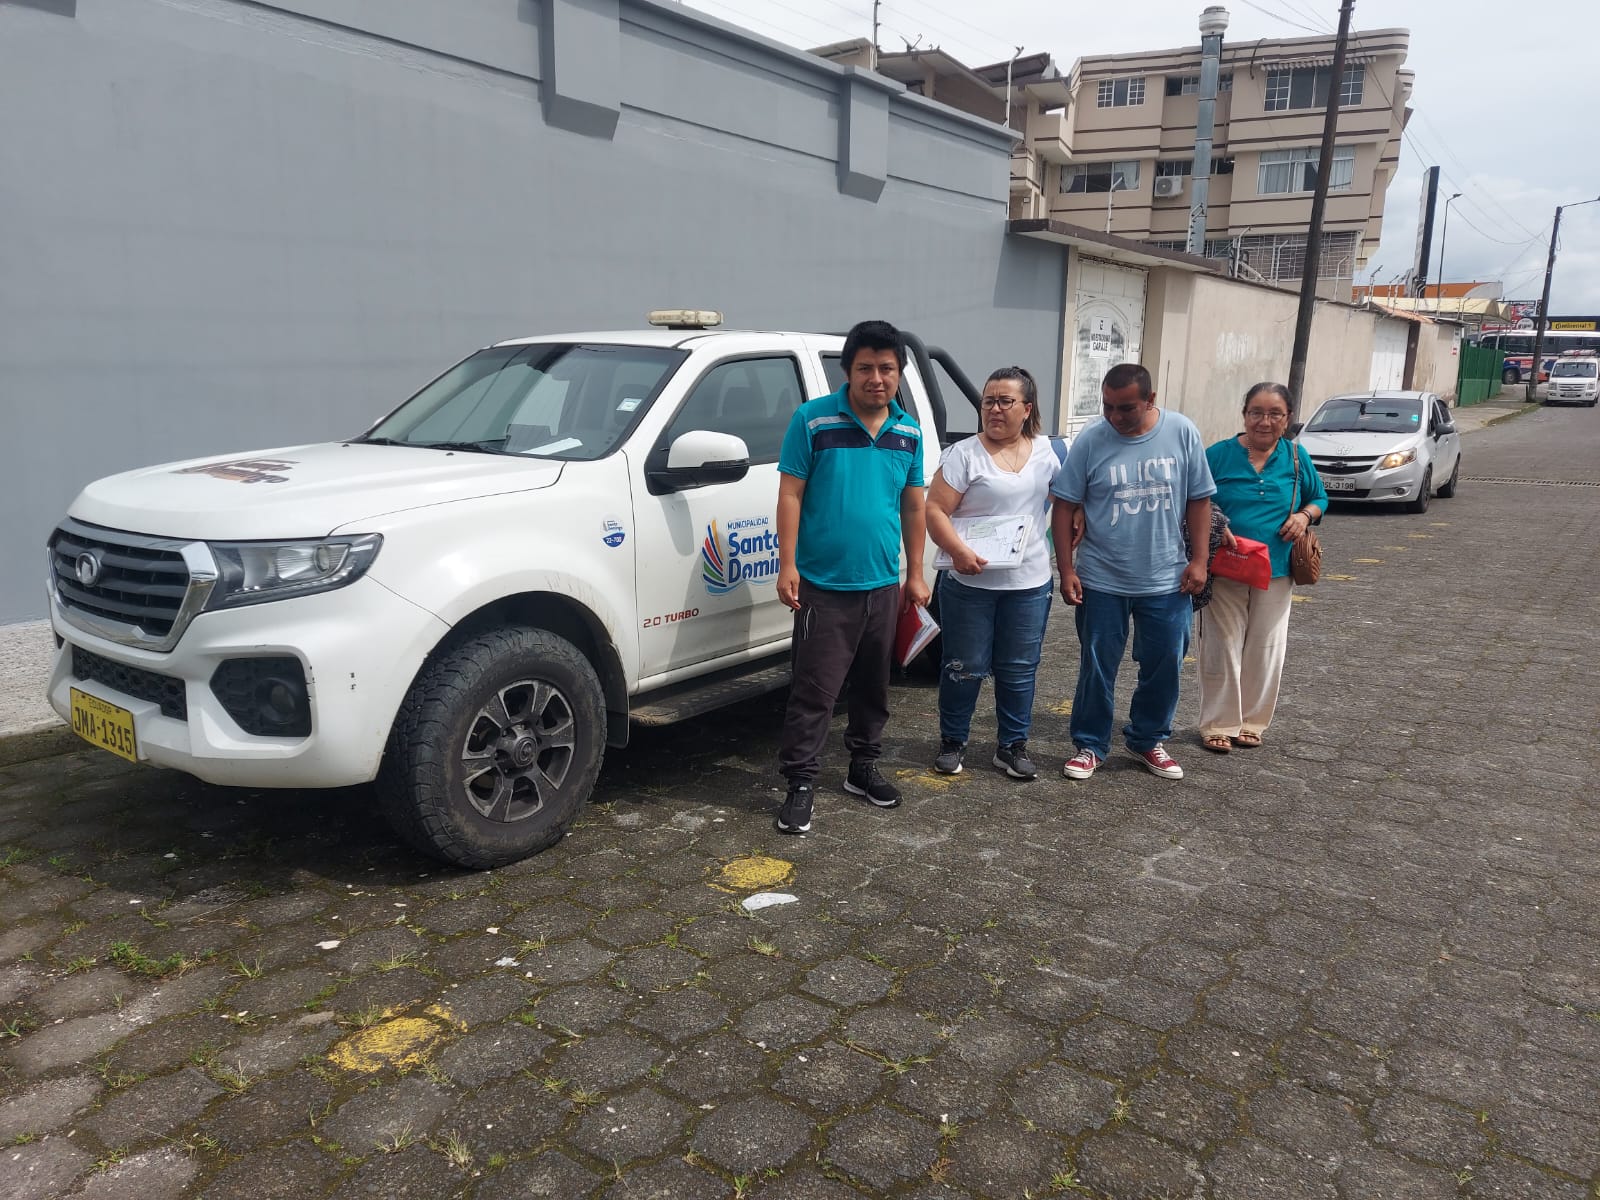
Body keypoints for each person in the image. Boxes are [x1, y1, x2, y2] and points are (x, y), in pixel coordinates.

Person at [773, 320, 931, 834]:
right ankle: (800, 783)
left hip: (883, 585)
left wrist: (915, 573)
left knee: (873, 688)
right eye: (865, 368)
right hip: (824, 587)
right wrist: (788, 564)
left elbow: (913, 505)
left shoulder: (908, 431)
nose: (876, 378)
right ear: (848, 371)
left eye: (887, 368)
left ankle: (862, 768)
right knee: (814, 692)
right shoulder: (813, 420)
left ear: (899, 372)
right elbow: (790, 493)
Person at [1049, 363, 1215, 781]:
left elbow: (1199, 500)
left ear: (1151, 400)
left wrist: (1199, 560)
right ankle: (1090, 744)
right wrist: (1065, 569)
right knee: (1097, 665)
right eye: (1107, 406)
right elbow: (1064, 505)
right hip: (1101, 578)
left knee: (1165, 662)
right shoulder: (1091, 439)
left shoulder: (1181, 432)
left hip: (1167, 578)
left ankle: (1147, 739)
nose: (1114, 417)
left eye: (1125, 408)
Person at [925, 367, 1061, 780]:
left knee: (1019, 668)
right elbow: (935, 510)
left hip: (1029, 584)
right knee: (964, 666)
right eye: (989, 401)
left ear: (1027, 409)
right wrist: (958, 551)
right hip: (969, 584)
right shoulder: (963, 454)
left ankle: (1012, 746)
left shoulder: (1047, 453)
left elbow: (1065, 503)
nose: (995, 409)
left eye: (1005, 401)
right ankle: (953, 741)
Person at [1195, 381, 1328, 752]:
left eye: (1275, 414)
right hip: (1225, 566)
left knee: (1266, 646)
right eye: (1256, 412)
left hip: (1278, 568)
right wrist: (1216, 523)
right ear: (1244, 415)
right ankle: (1218, 723)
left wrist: (1304, 516)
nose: (1264, 421)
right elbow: (1194, 498)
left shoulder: (1296, 457)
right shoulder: (1218, 455)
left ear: (1288, 418)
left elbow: (1319, 497)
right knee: (1222, 645)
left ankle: (1252, 722)